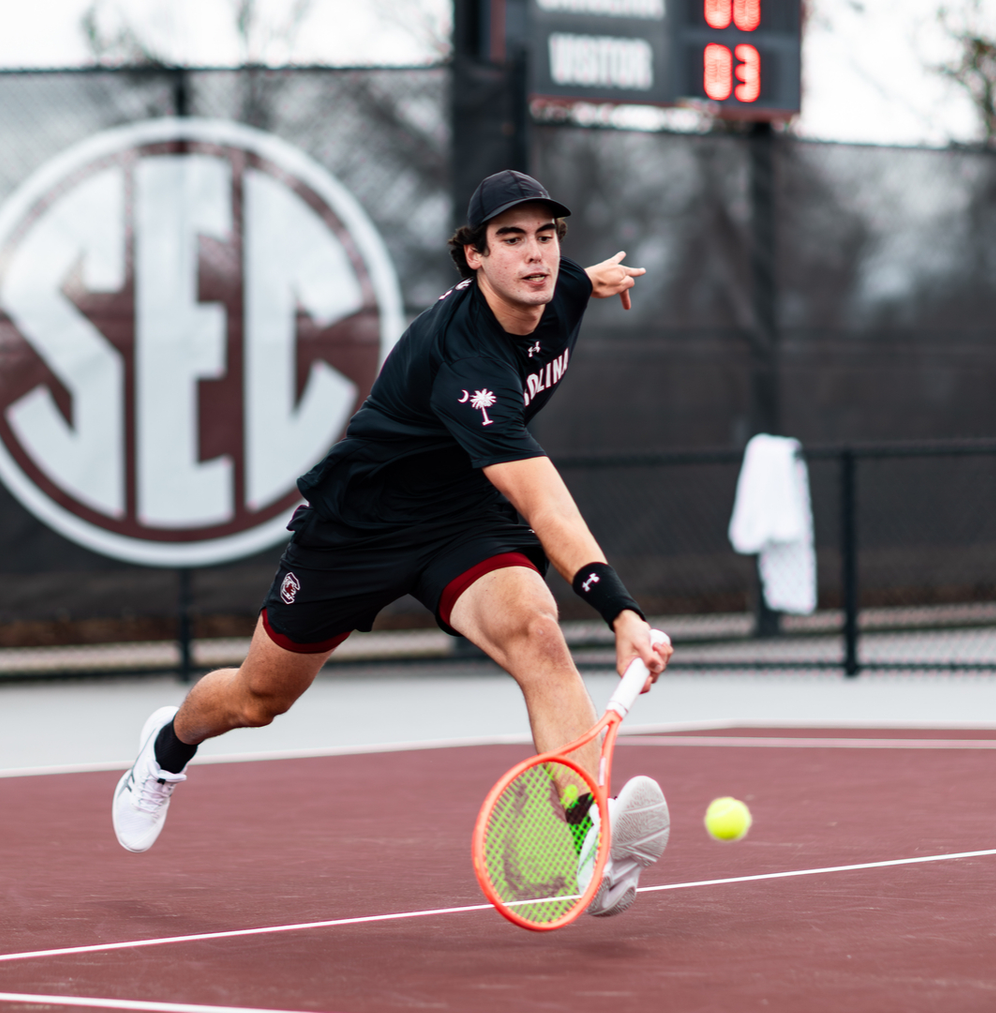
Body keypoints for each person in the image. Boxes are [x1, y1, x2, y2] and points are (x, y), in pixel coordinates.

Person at [111, 170, 674, 917]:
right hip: (362, 524)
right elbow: (543, 501)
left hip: (465, 519)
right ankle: (165, 748)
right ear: (473, 257)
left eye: (547, 236)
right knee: (260, 695)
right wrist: (622, 612)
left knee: (538, 635)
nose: (535, 255)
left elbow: (571, 279)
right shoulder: (466, 364)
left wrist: (594, 279)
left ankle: (583, 842)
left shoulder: (558, 288)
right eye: (510, 240)